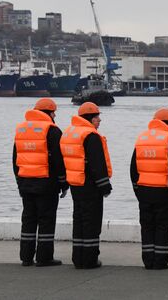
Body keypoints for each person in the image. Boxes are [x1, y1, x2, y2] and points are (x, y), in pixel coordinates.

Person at [13, 98, 68, 267]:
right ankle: (44, 258)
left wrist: (19, 181)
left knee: (28, 219)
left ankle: (26, 257)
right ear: (50, 113)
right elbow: (59, 160)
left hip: (25, 182)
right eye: (54, 113)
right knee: (46, 219)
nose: (55, 116)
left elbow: (15, 159)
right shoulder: (52, 130)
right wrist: (63, 183)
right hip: (46, 183)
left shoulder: (21, 129)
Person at [130, 108, 168, 270]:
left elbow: (133, 169)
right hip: (164, 192)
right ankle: (160, 261)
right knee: (163, 226)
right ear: (166, 123)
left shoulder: (141, 139)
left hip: (144, 192)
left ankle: (148, 260)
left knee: (147, 226)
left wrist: (137, 189)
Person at [60, 102, 112, 269]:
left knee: (79, 220)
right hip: (90, 185)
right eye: (97, 117)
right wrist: (105, 185)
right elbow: (97, 163)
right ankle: (89, 260)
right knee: (92, 222)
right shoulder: (90, 135)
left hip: (76, 183)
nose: (100, 120)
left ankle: (78, 258)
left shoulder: (69, 133)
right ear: (90, 117)